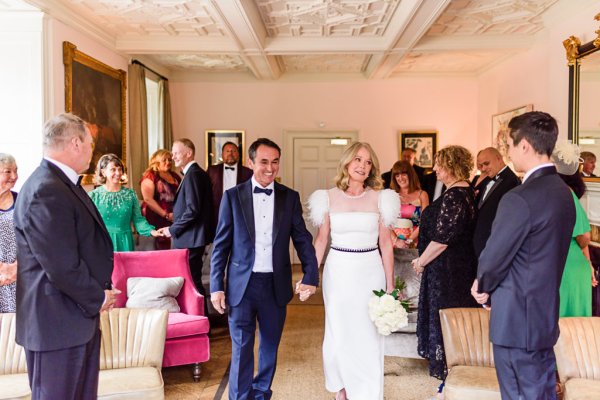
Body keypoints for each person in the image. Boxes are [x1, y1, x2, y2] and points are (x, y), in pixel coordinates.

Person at [13, 113, 118, 399]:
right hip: (55, 325)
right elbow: (61, 266)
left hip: (72, 320)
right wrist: (98, 297)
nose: (91, 150)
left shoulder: (63, 184)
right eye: (90, 143)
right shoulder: (46, 189)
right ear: (75, 143)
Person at [472, 111, 576, 400]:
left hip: (515, 320)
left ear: (525, 146)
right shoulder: (562, 193)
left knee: (518, 394)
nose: (508, 153)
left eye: (509, 145)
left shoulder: (519, 197)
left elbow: (494, 257)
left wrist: (482, 286)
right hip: (542, 317)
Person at [210, 138, 319, 400]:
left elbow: (302, 238)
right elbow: (221, 245)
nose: (270, 168)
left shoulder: (289, 197)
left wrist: (311, 275)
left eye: (275, 162)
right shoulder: (232, 197)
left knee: (269, 347)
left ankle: (260, 394)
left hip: (275, 284)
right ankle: (239, 397)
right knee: (241, 349)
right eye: (264, 162)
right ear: (250, 163)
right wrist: (216, 287)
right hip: (241, 286)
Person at [308, 142, 398, 400]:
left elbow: (385, 245)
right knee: (338, 330)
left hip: (370, 271)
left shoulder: (382, 198)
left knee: (368, 333)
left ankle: (368, 393)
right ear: (347, 162)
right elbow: (321, 240)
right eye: (358, 159)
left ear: (372, 168)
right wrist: (310, 275)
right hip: (338, 272)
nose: (362, 165)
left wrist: (390, 285)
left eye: (368, 162)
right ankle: (342, 386)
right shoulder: (326, 197)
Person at [411, 145, 478, 391]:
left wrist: (421, 261)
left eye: (439, 164)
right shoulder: (462, 192)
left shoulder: (455, 196)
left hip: (448, 272)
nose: (435, 168)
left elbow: (442, 239)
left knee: (445, 319)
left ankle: (449, 379)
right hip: (449, 269)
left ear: (451, 166)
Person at [158, 139, 214, 302]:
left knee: (193, 283)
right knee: (192, 282)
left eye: (176, 152)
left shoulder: (194, 175)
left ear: (189, 153)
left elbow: (192, 210)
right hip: (192, 237)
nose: (173, 156)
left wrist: (172, 229)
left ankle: (202, 325)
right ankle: (200, 323)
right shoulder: (194, 174)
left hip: (191, 238)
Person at [552, 143, 598, 317]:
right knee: (574, 328)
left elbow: (582, 236)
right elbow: (584, 236)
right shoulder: (567, 192)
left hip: (564, 265)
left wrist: (588, 264)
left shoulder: (558, 192)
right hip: (570, 265)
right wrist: (588, 264)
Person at [89, 154, 161, 251]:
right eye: (113, 169)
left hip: (125, 242)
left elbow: (138, 220)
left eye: (119, 169)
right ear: (103, 172)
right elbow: (88, 224)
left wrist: (151, 231)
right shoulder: (93, 196)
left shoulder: (130, 194)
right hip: (102, 242)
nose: (118, 173)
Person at [472, 147, 520, 258]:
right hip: (478, 244)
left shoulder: (512, 182)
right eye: (481, 165)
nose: (483, 168)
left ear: (498, 158)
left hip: (492, 246)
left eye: (486, 163)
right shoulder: (487, 178)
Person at [207, 141, 253, 233]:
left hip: (240, 214)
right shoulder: (212, 170)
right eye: (227, 151)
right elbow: (205, 193)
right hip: (217, 214)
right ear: (222, 154)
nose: (230, 154)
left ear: (238, 154)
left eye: (234, 151)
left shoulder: (248, 172)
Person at [140, 149, 182, 250]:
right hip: (156, 216)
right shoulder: (150, 176)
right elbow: (148, 199)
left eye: (169, 160)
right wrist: (166, 215)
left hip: (174, 216)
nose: (168, 162)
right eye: (164, 160)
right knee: (160, 247)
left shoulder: (175, 176)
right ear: (156, 162)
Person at [389, 160, 429, 249]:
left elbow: (425, 222)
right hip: (393, 244)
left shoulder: (422, 195)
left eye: (404, 174)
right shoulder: (390, 195)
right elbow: (385, 222)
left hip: (415, 244)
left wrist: (409, 241)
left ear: (410, 175)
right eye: (397, 175)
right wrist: (396, 241)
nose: (401, 178)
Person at [0, 153, 18, 313]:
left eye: (15, 171)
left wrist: (16, 268)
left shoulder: (22, 202)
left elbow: (34, 239)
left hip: (17, 276)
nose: (14, 176)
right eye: (8, 171)